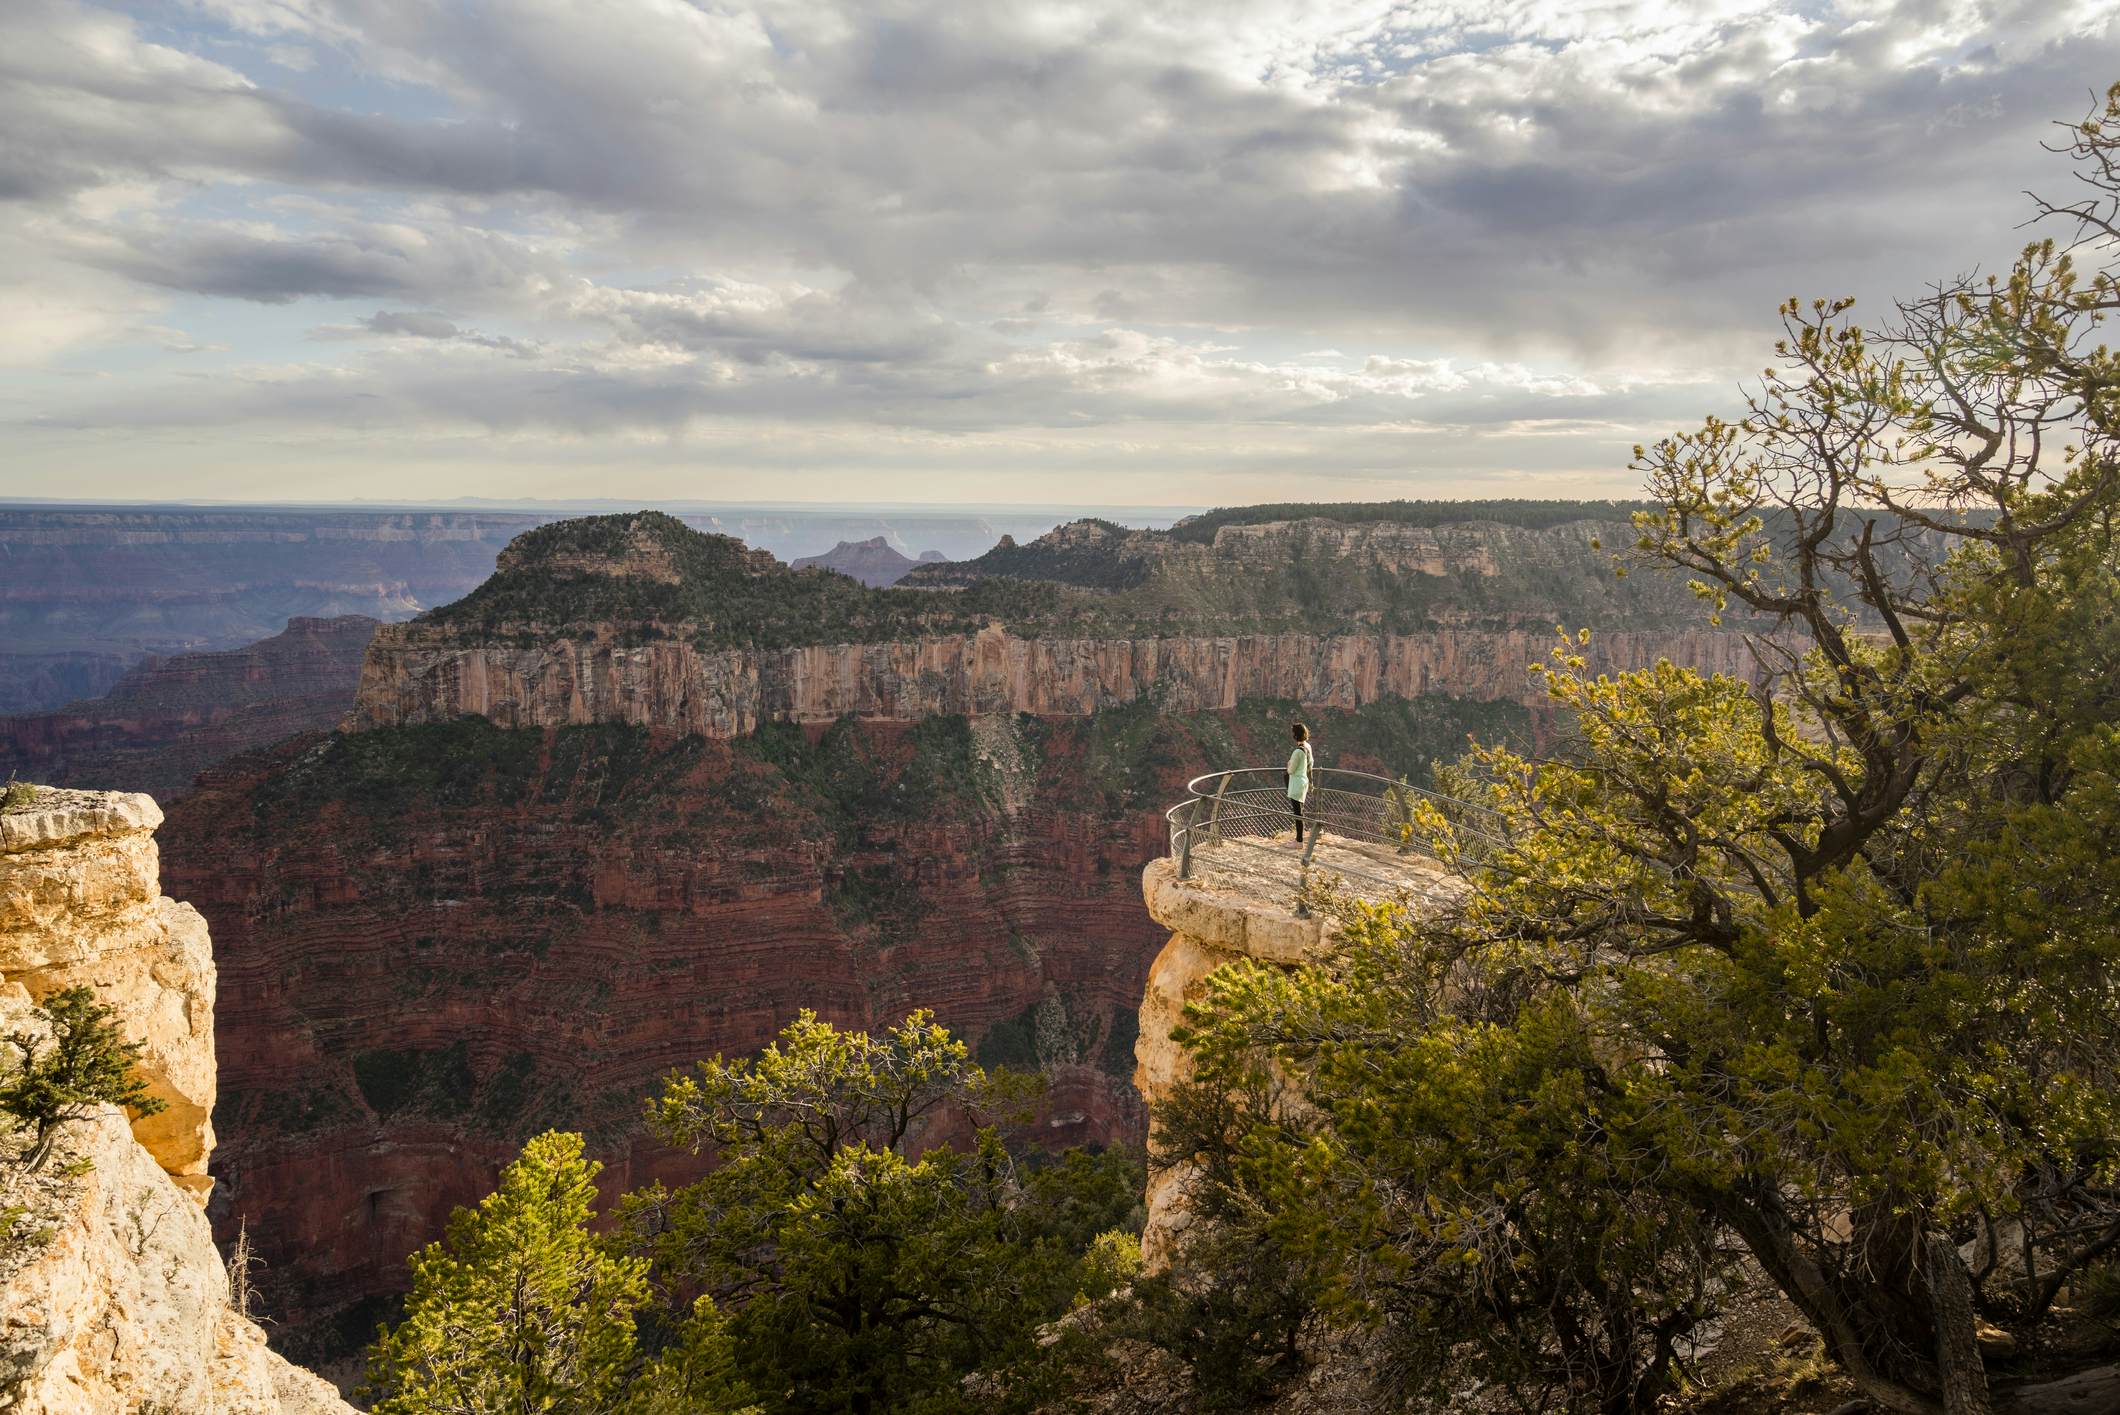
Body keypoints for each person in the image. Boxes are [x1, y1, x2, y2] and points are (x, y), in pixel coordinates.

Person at [1286, 722, 1314, 843]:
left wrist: (1288, 765)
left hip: (1296, 784)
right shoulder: (1308, 747)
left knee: (1298, 814)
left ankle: (1299, 841)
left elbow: (1291, 770)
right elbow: (1310, 765)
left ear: (1295, 735)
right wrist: (1311, 782)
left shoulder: (1297, 752)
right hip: (1304, 782)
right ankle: (1299, 839)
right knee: (1300, 812)